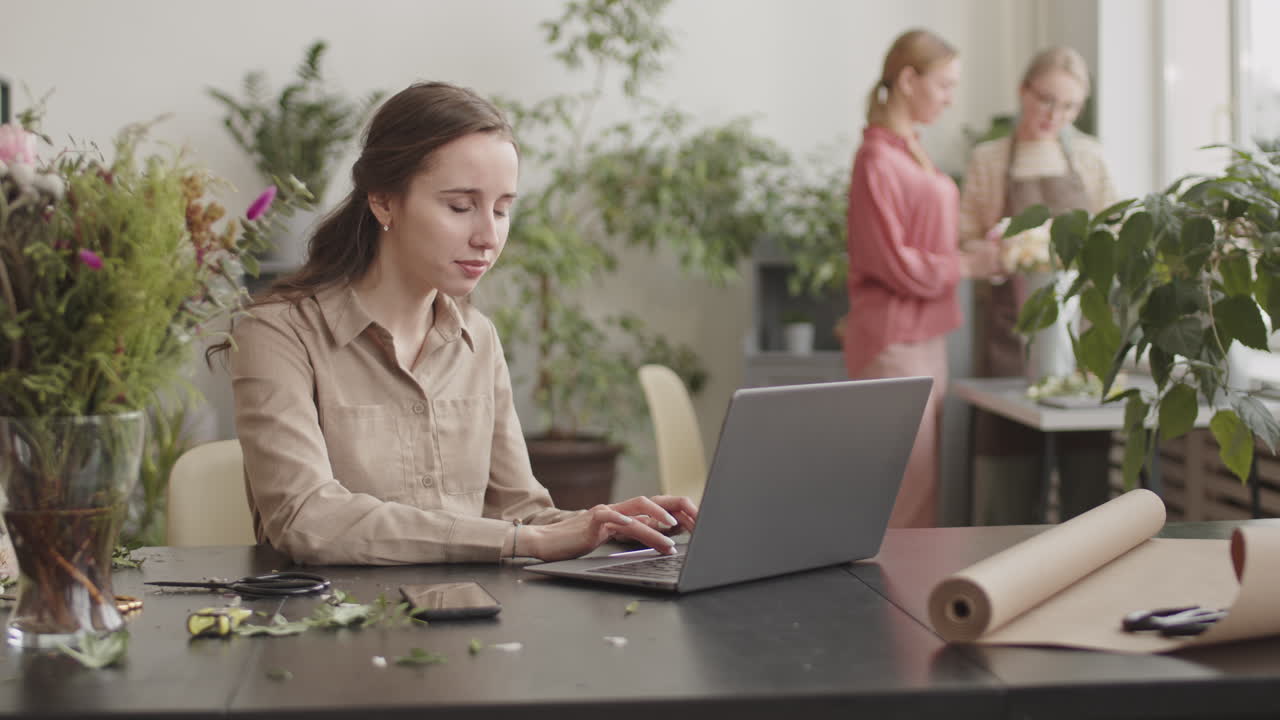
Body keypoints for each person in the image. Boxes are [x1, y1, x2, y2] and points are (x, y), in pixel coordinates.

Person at [216, 82, 697, 565]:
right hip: (330, 626)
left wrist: (607, 525)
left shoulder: (477, 338)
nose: (488, 236)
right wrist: (520, 540)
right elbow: (306, 518)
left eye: (503, 209)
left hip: (472, 624)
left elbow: (521, 513)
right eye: (460, 207)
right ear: (384, 201)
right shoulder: (277, 333)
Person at [845, 30, 1000, 529]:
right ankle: (887, 608)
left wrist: (980, 252)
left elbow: (926, 248)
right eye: (945, 85)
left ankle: (903, 604)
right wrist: (970, 265)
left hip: (924, 341)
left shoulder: (911, 149)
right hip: (895, 345)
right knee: (901, 503)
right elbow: (894, 262)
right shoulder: (877, 159)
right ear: (909, 80)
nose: (951, 98)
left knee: (917, 496)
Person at [959, 47, 1119, 524]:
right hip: (1012, 339)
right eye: (1047, 101)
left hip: (1081, 340)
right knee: (1005, 489)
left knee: (1086, 488)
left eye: (1070, 107)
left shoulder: (1089, 158)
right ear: (1023, 92)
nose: (1056, 116)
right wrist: (998, 253)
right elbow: (966, 242)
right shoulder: (989, 160)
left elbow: (1115, 234)